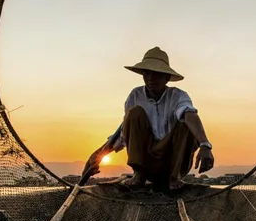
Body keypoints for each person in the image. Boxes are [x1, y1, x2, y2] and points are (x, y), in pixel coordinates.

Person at [83, 47, 214, 190]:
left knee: (185, 123)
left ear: (167, 77)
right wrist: (99, 154)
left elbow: (190, 115)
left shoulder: (178, 96)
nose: (151, 79)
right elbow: (124, 133)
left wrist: (205, 145)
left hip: (174, 162)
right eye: (147, 73)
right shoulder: (135, 96)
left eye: (157, 74)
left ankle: (173, 177)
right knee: (134, 114)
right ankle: (139, 174)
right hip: (148, 164)